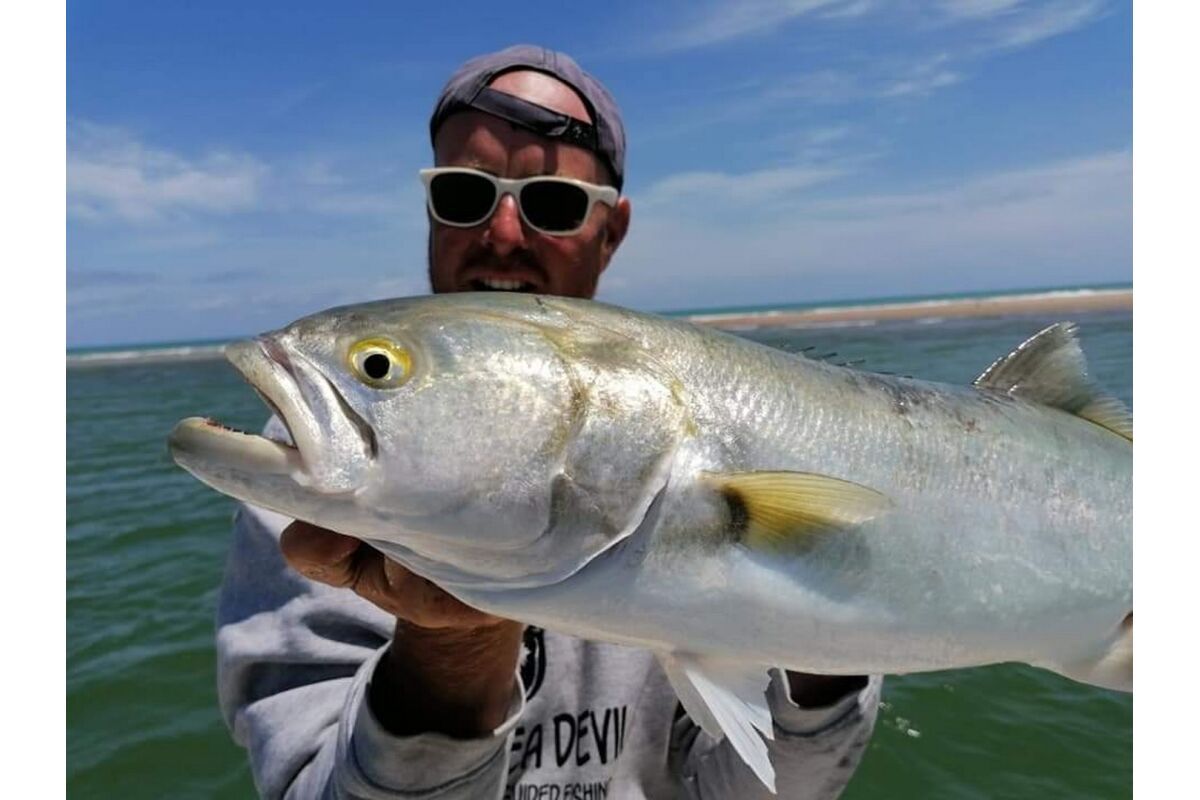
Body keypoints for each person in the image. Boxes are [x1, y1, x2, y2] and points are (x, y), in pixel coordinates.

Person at [217, 44, 881, 799]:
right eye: (464, 195)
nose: (502, 234)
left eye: (553, 204)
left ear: (611, 233)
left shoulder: (716, 418)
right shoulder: (320, 487)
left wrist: (823, 638)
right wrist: (448, 649)